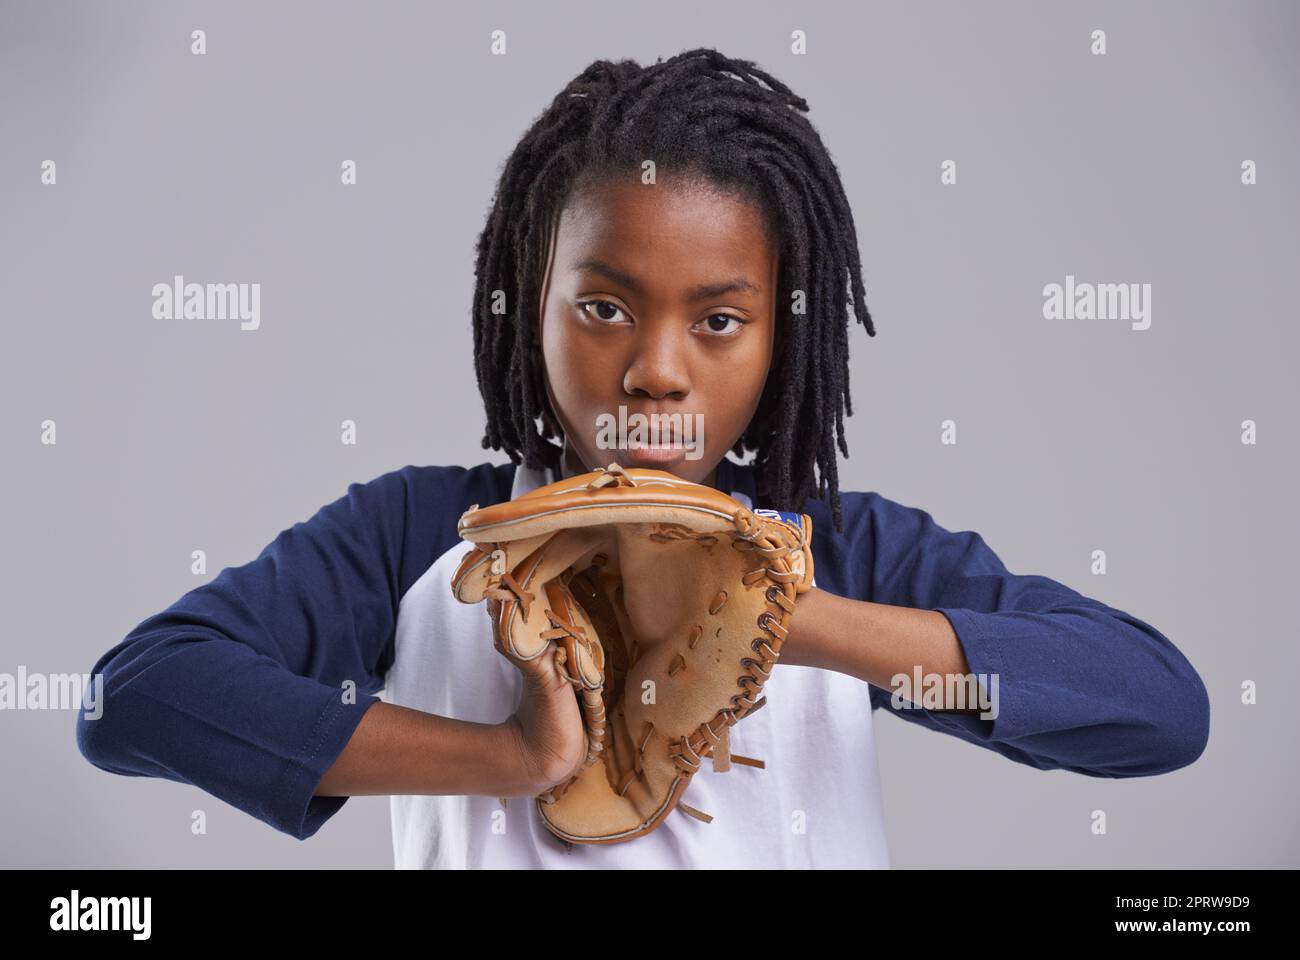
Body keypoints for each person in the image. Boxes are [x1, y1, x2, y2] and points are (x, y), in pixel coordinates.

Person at [76, 48, 1210, 869]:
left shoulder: (840, 547)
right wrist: (511, 758)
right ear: (531, 309)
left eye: (719, 320)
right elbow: (136, 700)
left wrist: (782, 614)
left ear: (785, 336)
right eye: (606, 306)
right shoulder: (422, 541)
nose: (655, 370)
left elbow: (1156, 712)